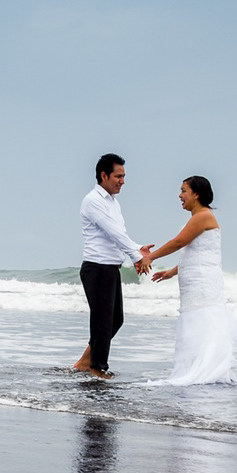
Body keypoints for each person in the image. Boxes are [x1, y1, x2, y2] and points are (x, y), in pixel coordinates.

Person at [136, 176, 237, 385]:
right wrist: (172, 272)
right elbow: (196, 253)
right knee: (194, 325)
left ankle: (206, 372)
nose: (180, 195)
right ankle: (197, 369)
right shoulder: (196, 218)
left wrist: (149, 257)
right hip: (194, 281)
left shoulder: (203, 216)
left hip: (203, 282)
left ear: (197, 194)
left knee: (203, 323)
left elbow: (179, 242)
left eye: (184, 191)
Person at [74, 153, 145, 378]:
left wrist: (138, 248)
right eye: (118, 176)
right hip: (97, 267)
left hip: (110, 268)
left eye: (123, 176)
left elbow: (120, 234)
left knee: (116, 320)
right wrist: (136, 256)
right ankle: (97, 367)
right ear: (103, 175)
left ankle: (86, 361)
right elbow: (112, 233)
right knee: (103, 320)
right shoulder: (93, 201)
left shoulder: (113, 203)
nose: (122, 181)